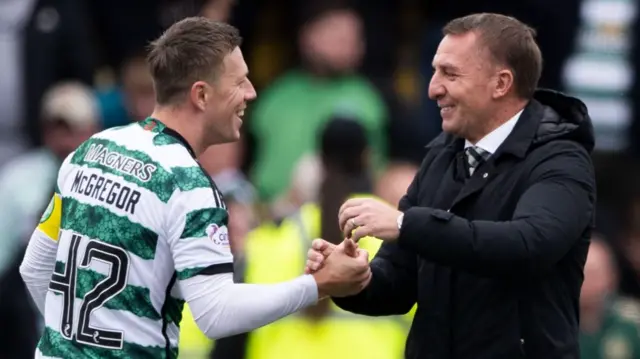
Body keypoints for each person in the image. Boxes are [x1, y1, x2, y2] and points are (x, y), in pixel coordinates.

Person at [19, 17, 371, 359]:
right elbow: (216, 314)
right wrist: (319, 285)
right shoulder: (188, 185)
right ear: (201, 95)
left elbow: (34, 268)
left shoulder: (91, 150)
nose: (251, 93)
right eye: (240, 82)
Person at [306, 13, 596, 359]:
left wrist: (404, 224)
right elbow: (399, 281)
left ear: (501, 83)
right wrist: (355, 280)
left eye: (450, 73)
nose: (433, 89)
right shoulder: (442, 156)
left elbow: (527, 246)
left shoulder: (560, 160)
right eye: (434, 71)